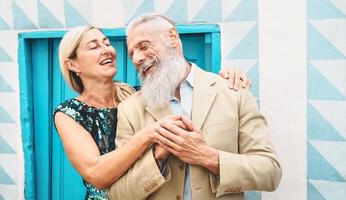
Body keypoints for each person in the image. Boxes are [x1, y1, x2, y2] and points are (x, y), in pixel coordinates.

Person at [53, 26, 250, 200]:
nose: (107, 50)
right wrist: (149, 134)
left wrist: (227, 77)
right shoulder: (69, 113)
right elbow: (96, 174)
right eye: (94, 46)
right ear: (73, 65)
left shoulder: (141, 95)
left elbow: (188, 83)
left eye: (107, 43)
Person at [108, 13, 282, 200]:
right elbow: (118, 195)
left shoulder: (234, 92)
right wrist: (157, 158)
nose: (137, 59)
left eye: (144, 46)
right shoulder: (129, 110)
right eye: (132, 53)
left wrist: (207, 156)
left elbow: (270, 172)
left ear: (172, 37)